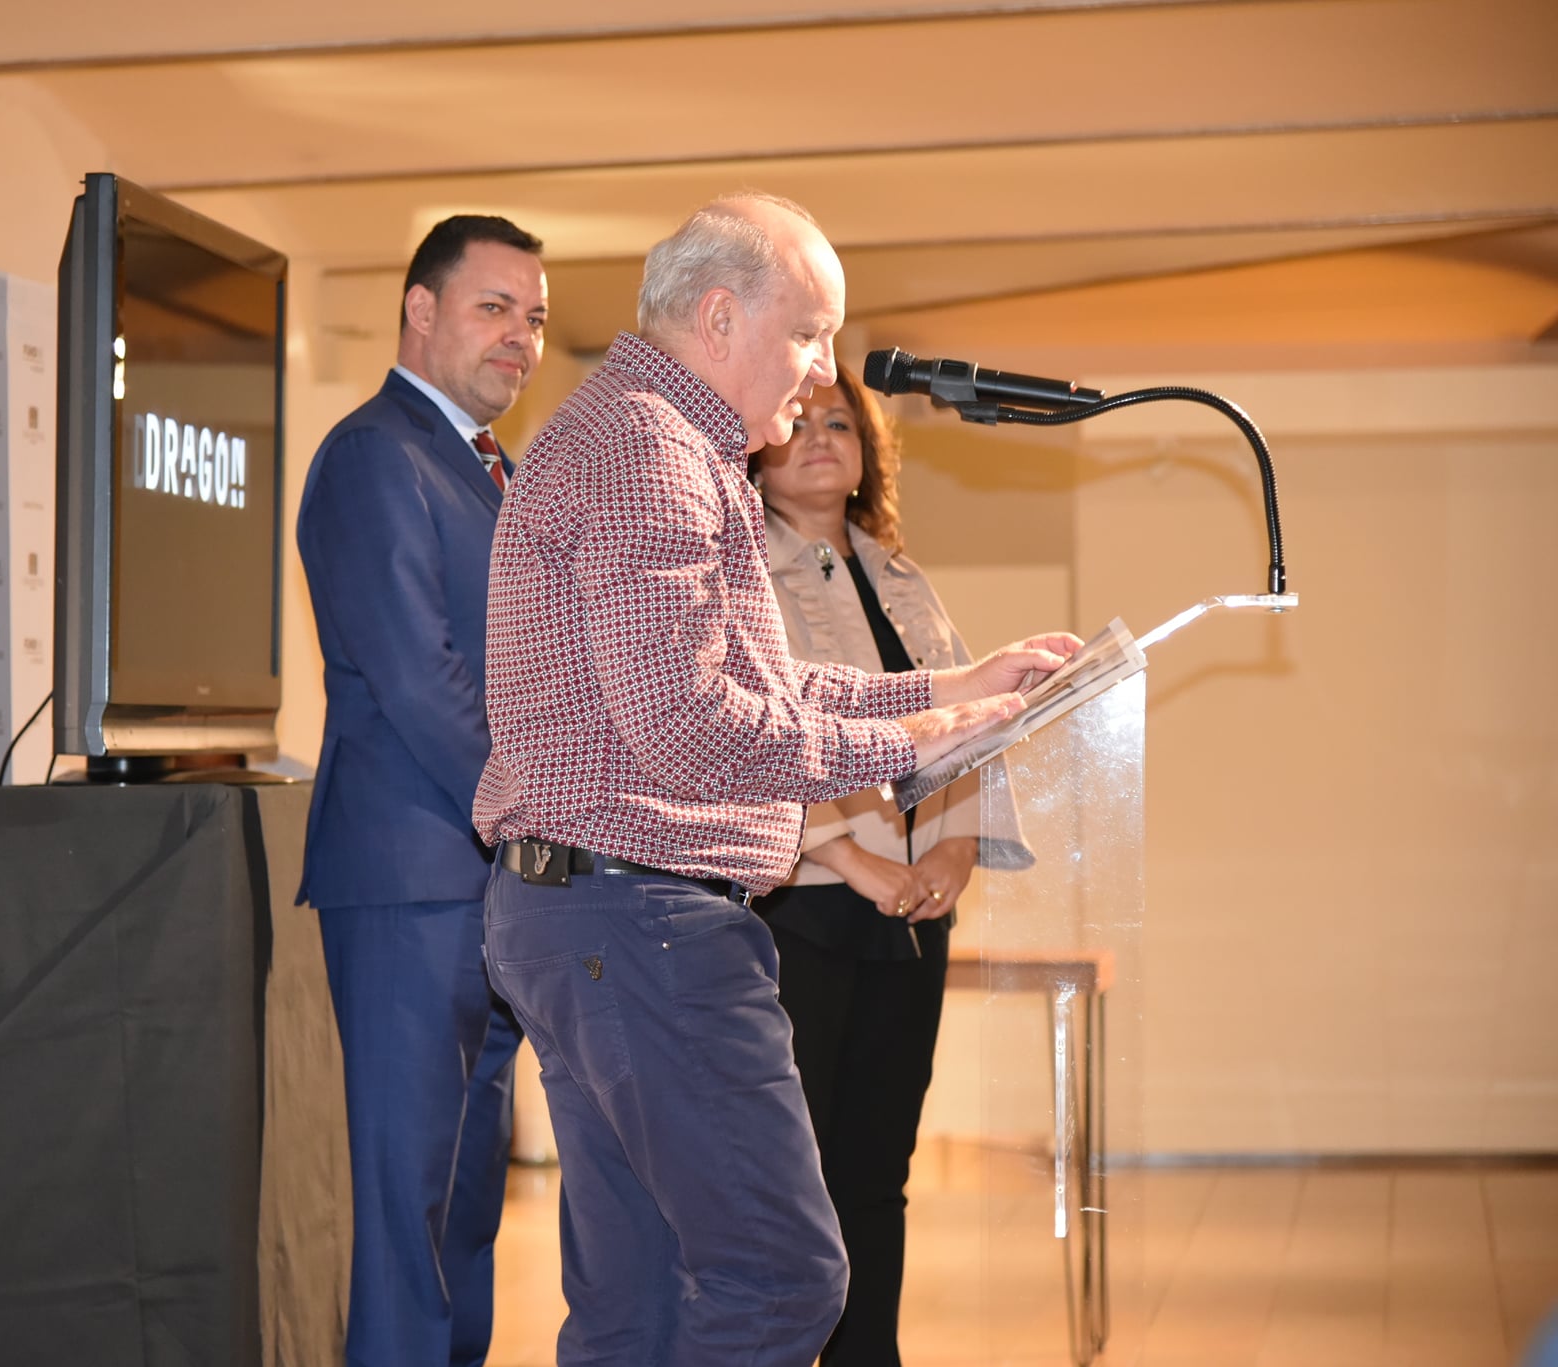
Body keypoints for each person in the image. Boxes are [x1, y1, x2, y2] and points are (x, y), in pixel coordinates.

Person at [472, 192, 1078, 1367]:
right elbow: (690, 729)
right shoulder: (653, 451)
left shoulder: (654, 437)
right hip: (641, 921)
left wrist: (945, 687)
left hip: (588, 912)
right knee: (780, 1279)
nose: (821, 370)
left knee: (636, 1309)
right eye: (807, 333)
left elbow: (758, 680)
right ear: (717, 318)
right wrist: (914, 744)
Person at [295, 214, 548, 1367]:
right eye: (494, 308)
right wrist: (542, 812)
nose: (519, 338)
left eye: (533, 318)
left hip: (487, 884)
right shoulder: (372, 455)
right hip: (409, 883)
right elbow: (417, 677)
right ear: (419, 308)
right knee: (409, 1216)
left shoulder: (492, 471)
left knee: (465, 1209)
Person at [753, 366, 1033, 1366]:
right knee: (799, 1177)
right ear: (756, 445)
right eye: (800, 421)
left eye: (841, 423)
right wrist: (847, 860)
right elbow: (761, 736)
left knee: (878, 1169)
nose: (820, 437)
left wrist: (955, 845)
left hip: (912, 910)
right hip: (801, 907)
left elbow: (965, 725)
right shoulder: (741, 571)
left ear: (868, 452)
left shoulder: (901, 576)